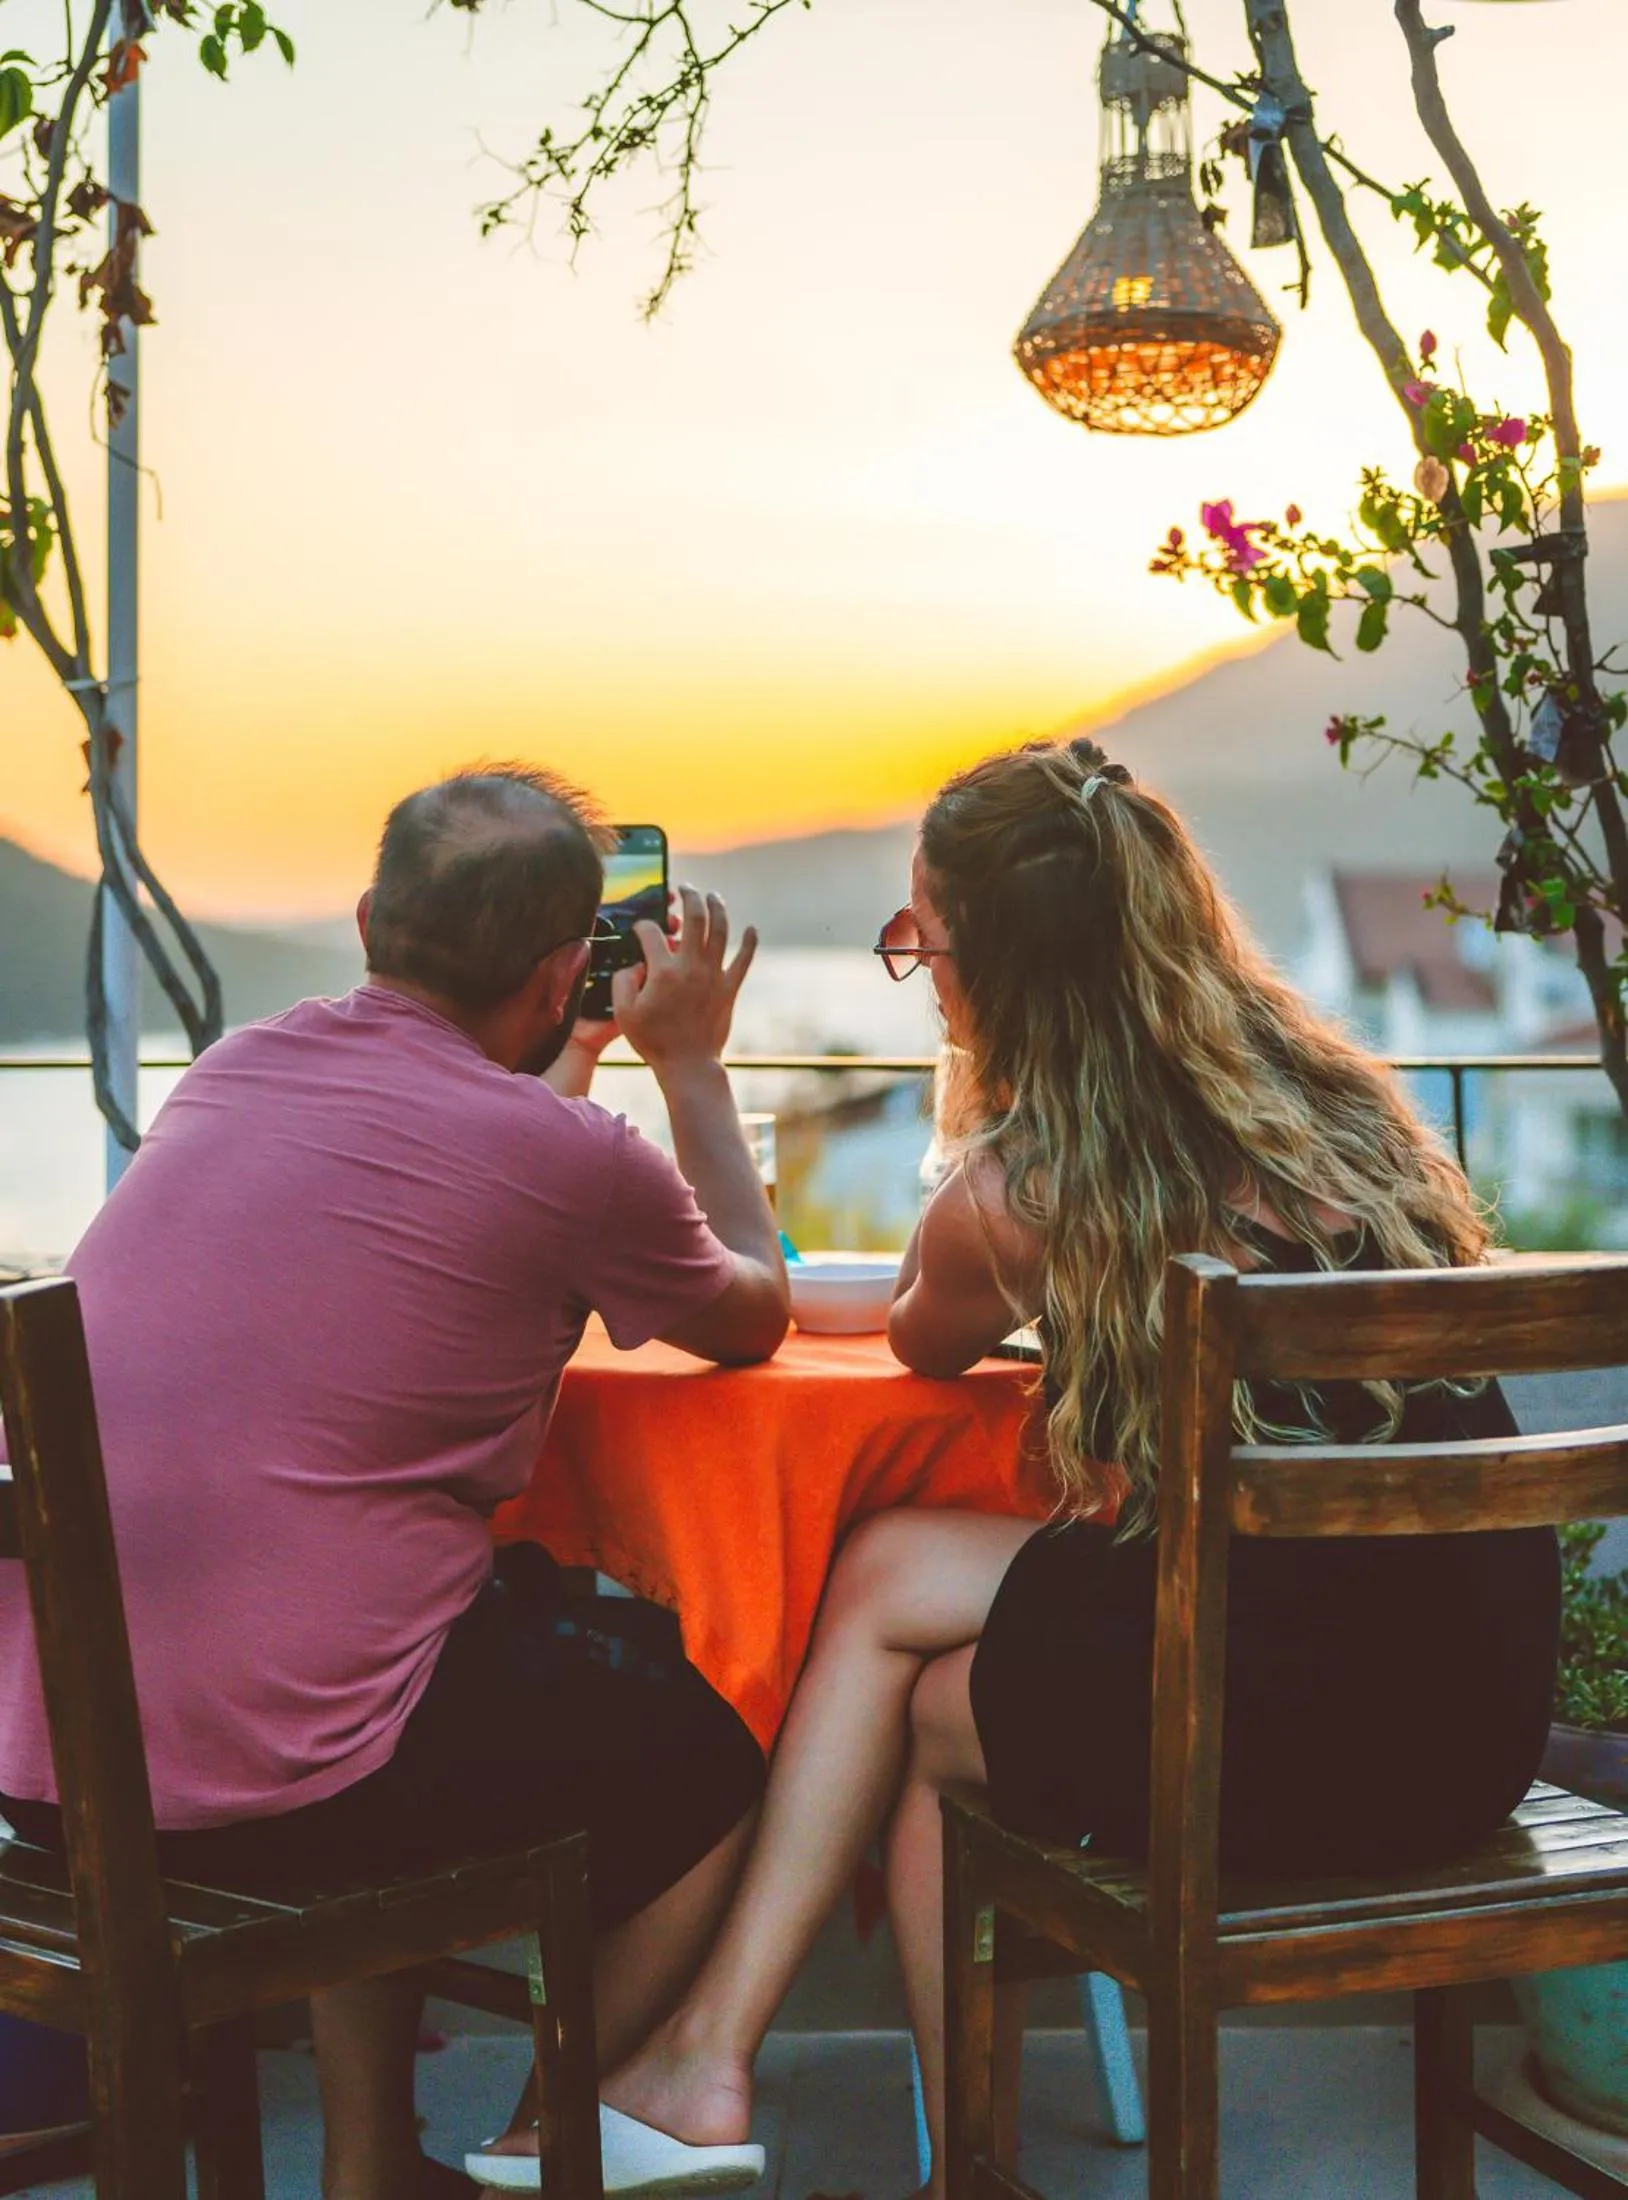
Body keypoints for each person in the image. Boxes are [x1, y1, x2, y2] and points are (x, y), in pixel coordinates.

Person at [509, 736, 1558, 2200]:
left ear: (989, 971)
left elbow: (915, 1337)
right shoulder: (1341, 1110)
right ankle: (774, 2087)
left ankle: (740, 2069)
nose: (919, 971)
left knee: (915, 1660)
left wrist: (691, 1078)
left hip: (1284, 1741)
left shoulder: (1029, 1185)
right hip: (1475, 1721)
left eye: (919, 941)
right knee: (915, 1636)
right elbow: (906, 1301)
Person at [0, 765, 790, 2200]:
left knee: (431, 1634)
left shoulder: (236, 1071)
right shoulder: (568, 1158)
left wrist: (573, 1052)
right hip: (288, 1784)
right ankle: (547, 2136)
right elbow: (753, 1312)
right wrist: (687, 1063)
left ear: (371, 919)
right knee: (724, 1738)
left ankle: (375, 2162)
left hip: (58, 1774)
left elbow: (465, 1153)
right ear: (569, 971)